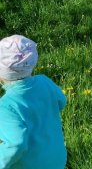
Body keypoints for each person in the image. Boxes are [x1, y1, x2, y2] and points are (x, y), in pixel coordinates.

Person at [0, 35, 67, 169]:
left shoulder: (6, 105)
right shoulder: (45, 82)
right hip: (57, 158)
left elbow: (16, 144)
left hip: (29, 164)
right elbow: (62, 101)